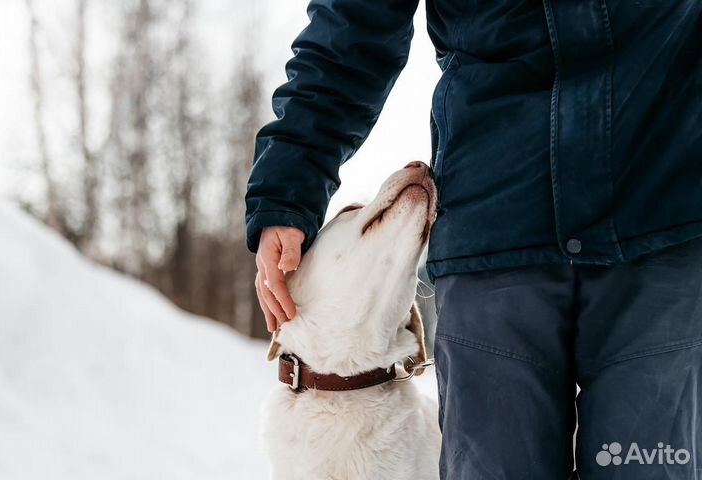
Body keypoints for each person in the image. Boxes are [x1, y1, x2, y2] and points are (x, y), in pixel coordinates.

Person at [245, 1, 702, 478]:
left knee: (650, 466)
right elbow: (350, 32)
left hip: (660, 224)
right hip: (495, 238)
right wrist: (285, 189)